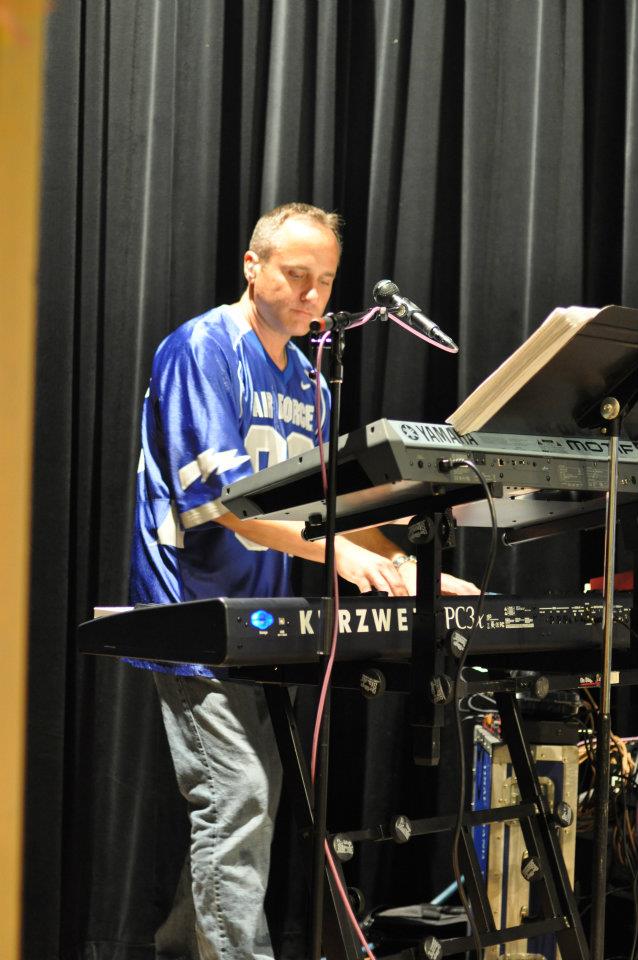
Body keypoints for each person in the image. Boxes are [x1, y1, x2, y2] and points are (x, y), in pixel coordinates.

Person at [128, 202, 477, 960]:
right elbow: (221, 506)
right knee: (241, 796)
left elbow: (332, 517)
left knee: (249, 799)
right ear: (252, 266)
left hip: (257, 617)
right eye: (295, 276)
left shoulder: (314, 387)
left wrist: (413, 571)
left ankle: (178, 946)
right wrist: (340, 557)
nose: (312, 297)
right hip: (189, 608)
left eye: (324, 283)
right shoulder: (202, 348)